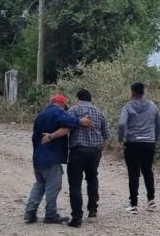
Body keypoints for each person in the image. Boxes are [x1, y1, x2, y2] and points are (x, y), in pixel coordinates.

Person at [23, 93, 91, 225]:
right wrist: (81, 121)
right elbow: (69, 121)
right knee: (53, 186)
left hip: (38, 157)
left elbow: (35, 136)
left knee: (39, 184)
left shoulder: (41, 114)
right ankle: (50, 215)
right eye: (65, 105)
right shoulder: (57, 112)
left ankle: (30, 212)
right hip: (51, 157)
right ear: (62, 103)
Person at [66, 88, 110, 228]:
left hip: (77, 150)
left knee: (75, 183)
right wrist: (101, 149)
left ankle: (77, 217)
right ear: (90, 99)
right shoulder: (100, 112)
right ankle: (92, 211)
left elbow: (65, 126)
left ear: (77, 98)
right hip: (94, 151)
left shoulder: (73, 110)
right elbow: (107, 135)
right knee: (92, 178)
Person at [117, 82, 160, 214]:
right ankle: (151, 201)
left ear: (132, 92)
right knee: (148, 171)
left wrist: (121, 139)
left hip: (133, 142)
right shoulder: (153, 106)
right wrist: (154, 138)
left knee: (133, 173)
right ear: (143, 91)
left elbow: (121, 124)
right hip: (149, 143)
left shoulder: (128, 106)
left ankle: (134, 205)